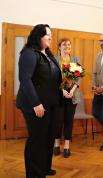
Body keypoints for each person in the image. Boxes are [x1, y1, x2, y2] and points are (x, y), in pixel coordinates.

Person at [16, 24, 62, 178]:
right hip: (35, 105)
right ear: (38, 36)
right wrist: (36, 104)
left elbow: (53, 80)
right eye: (46, 34)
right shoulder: (29, 53)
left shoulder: (48, 54)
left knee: (49, 137)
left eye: (51, 34)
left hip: (52, 104)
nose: (50, 37)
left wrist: (65, 89)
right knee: (37, 139)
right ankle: (35, 174)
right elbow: (25, 79)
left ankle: (44, 168)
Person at [53, 38, 80, 158]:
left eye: (69, 44)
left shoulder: (75, 59)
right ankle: (57, 143)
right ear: (59, 47)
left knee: (69, 120)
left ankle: (67, 146)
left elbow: (78, 78)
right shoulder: (54, 59)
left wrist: (72, 91)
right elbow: (52, 78)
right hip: (58, 93)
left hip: (72, 94)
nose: (67, 46)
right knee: (58, 121)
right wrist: (62, 90)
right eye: (64, 44)